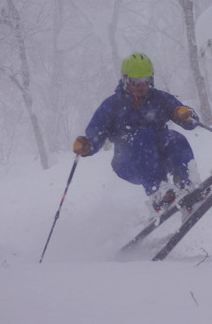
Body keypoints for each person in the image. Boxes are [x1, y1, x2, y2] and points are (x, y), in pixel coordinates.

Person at [73, 53, 200, 212]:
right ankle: (158, 191)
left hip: (159, 160)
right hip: (129, 163)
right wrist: (87, 145)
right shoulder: (112, 105)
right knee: (143, 135)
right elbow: (95, 134)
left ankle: (186, 183)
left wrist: (186, 116)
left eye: (146, 81)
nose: (141, 86)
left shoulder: (160, 99)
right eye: (135, 82)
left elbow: (190, 121)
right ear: (125, 80)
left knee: (173, 137)